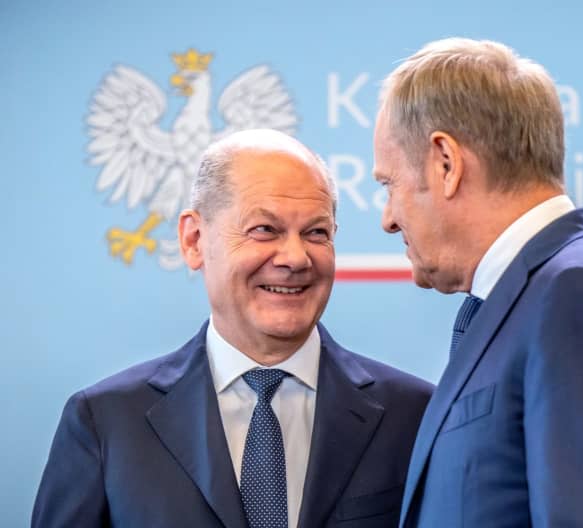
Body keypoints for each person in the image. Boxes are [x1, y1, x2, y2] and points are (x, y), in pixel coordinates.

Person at [373, 38, 583, 527]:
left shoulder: (581, 295)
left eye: (389, 185)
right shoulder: (537, 296)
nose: (388, 218)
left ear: (446, 162)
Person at [33, 129, 433, 528]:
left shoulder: (415, 414)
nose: (295, 258)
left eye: (316, 233)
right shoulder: (106, 421)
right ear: (193, 240)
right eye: (265, 229)